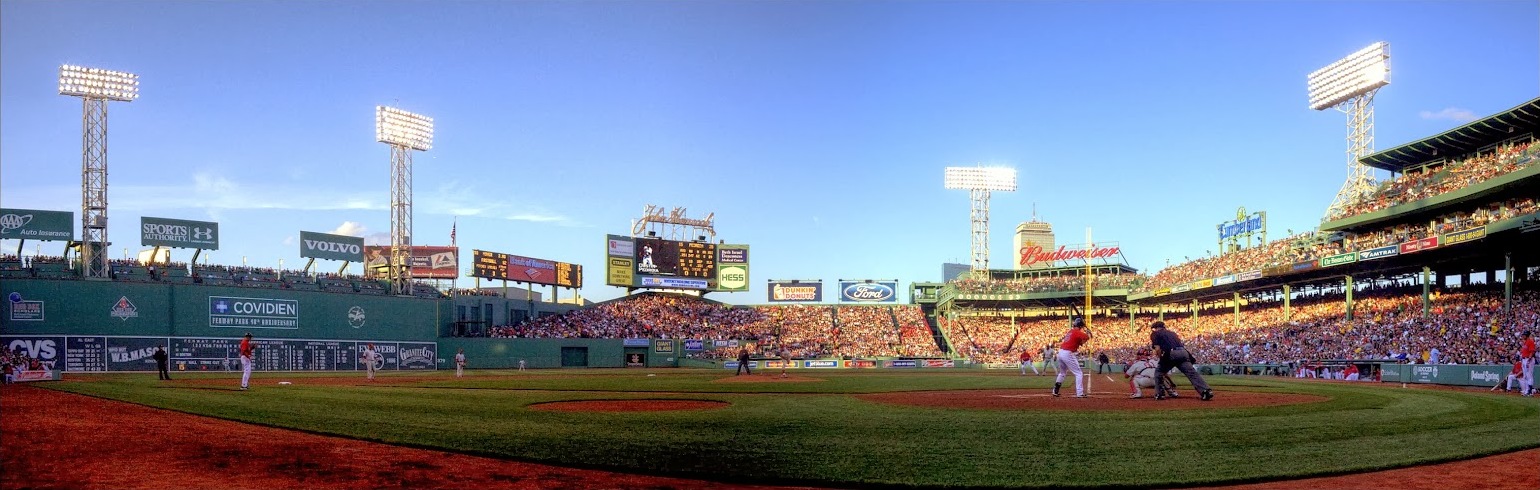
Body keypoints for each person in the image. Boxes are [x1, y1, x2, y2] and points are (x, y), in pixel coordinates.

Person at [1150, 321, 1213, 401]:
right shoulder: (1172, 333)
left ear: (1156, 328)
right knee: (1192, 373)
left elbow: (1157, 348)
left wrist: (1161, 359)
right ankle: (1206, 391)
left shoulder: (1155, 334)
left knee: (1159, 372)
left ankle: (1160, 394)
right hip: (1183, 352)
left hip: (1171, 353)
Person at [1053, 318, 1092, 398]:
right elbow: (1086, 337)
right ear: (1080, 326)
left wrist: (1088, 335)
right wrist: (1088, 334)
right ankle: (1079, 393)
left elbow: (1081, 342)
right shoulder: (1076, 332)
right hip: (1067, 353)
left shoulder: (1071, 331)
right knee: (1079, 373)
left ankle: (1055, 391)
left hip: (1061, 352)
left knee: (1062, 373)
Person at [1520, 330, 1535, 397]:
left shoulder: (1530, 341)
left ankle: (1530, 392)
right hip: (1524, 359)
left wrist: (1529, 360)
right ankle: (1527, 391)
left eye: (1524, 335)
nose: (1523, 336)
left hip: (1529, 360)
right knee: (1525, 376)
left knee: (1529, 376)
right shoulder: (1525, 342)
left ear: (1527, 335)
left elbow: (1532, 352)